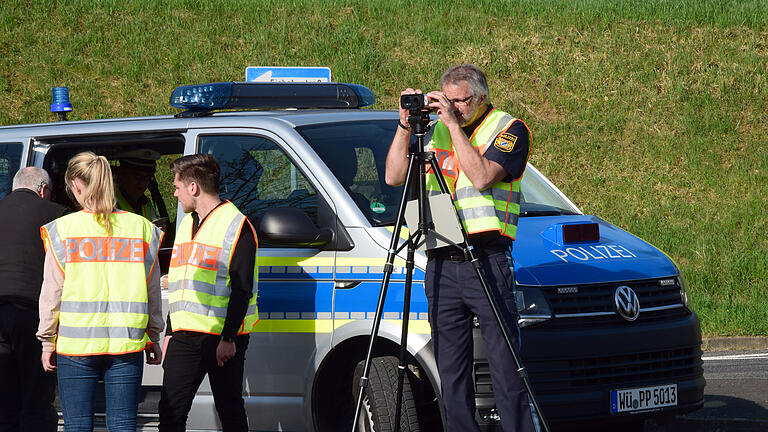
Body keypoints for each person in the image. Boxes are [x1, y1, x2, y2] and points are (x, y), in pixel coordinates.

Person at [385, 64, 540, 432]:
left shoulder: (508, 129)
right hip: (440, 258)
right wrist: (405, 125)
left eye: (460, 101)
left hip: (486, 259)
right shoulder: (431, 131)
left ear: (481, 98)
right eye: (447, 101)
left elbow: (483, 176)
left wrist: (454, 126)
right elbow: (393, 177)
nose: (451, 108)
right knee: (451, 374)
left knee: (505, 367)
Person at [36, 152, 164, 432]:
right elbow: (152, 290)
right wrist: (154, 336)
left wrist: (47, 340)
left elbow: (52, 293)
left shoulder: (63, 230)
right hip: (127, 344)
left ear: (76, 184)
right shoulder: (142, 228)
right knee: (122, 425)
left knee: (78, 426)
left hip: (75, 347)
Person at [158, 154, 259, 432]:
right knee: (170, 414)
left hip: (222, 338)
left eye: (177, 187)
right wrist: (169, 332)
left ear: (194, 187)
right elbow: (181, 284)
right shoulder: (186, 224)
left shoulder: (236, 225)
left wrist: (228, 338)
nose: (175, 194)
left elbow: (241, 289)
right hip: (184, 335)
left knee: (229, 410)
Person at [0, 167, 66, 432]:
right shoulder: (56, 216)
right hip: (32, 313)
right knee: (35, 393)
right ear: (42, 189)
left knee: (4, 393)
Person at [115, 148, 161, 220]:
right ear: (122, 174)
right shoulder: (110, 203)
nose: (142, 182)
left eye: (147, 177)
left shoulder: (146, 203)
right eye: (138, 177)